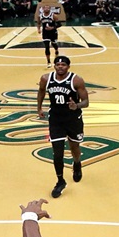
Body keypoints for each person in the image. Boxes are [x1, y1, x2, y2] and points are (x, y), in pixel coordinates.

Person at [36, 55, 89, 199]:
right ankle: (60, 181)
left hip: (73, 119)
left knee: (74, 147)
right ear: (54, 66)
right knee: (57, 153)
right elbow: (41, 91)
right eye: (58, 64)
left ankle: (77, 163)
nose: (60, 67)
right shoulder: (46, 78)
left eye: (63, 65)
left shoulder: (76, 80)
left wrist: (76, 105)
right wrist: (39, 108)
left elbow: (86, 101)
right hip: (56, 119)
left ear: (68, 67)